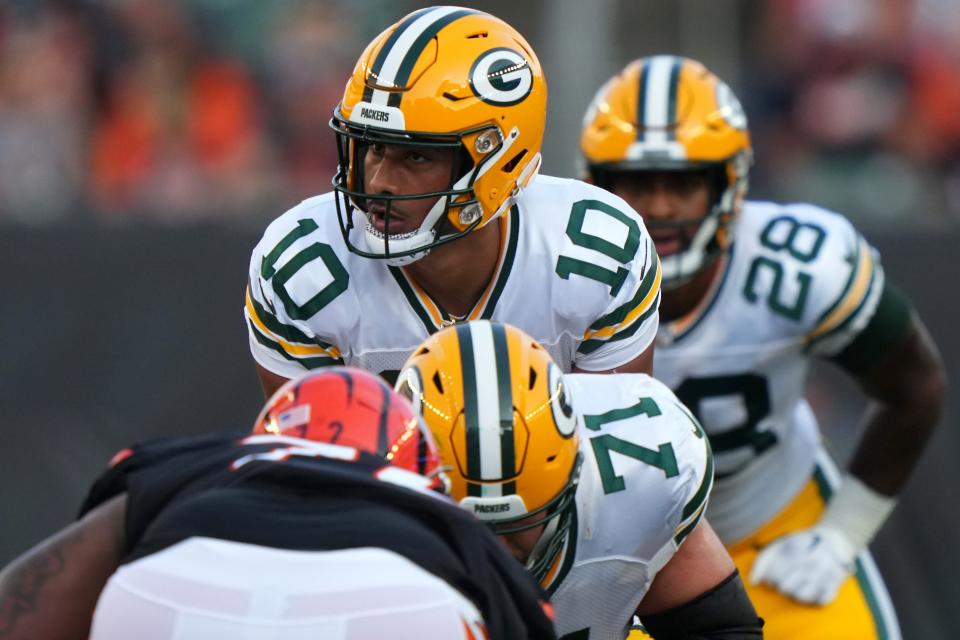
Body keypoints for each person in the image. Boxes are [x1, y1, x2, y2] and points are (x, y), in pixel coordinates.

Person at [578, 55, 947, 639]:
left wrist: (842, 534)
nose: (660, 207)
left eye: (683, 181)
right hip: (614, 559)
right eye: (636, 181)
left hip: (772, 528)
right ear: (597, 184)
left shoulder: (796, 263)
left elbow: (915, 385)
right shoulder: (557, 274)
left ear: (730, 183)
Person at [245, 6, 662, 398]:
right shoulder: (305, 270)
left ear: (497, 160)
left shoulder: (593, 256)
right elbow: (317, 467)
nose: (379, 182)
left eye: (416, 155)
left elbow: (604, 456)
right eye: (373, 147)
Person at [0, 368, 557, 640]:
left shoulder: (200, 463)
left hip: (172, 588)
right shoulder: (446, 518)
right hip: (398, 603)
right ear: (418, 470)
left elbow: (28, 597)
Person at [397, 320, 764, 639]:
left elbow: (721, 631)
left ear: (573, 478)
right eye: (473, 527)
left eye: (515, 524)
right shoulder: (356, 534)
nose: (497, 550)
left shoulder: (639, 476)